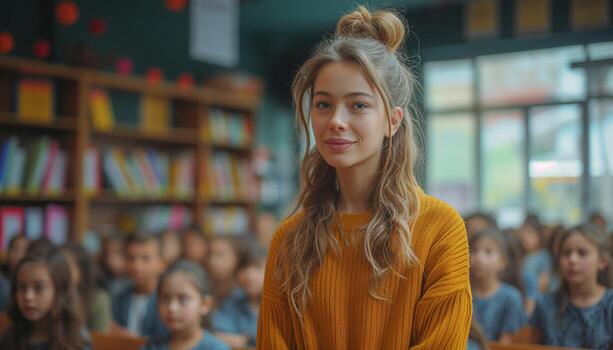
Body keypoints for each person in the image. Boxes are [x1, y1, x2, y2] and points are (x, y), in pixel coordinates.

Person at [257, 6, 471, 349]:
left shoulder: (439, 228)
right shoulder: (288, 239)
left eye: (358, 105)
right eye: (323, 105)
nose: (336, 121)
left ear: (393, 120)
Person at [530, 224, 613, 349]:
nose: (572, 260)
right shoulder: (545, 304)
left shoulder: (610, 304)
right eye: (566, 253)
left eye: (582, 253)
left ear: (602, 261)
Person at [0, 249, 91, 349]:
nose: (28, 296)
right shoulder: (11, 336)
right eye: (21, 287)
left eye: (39, 287)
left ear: (59, 290)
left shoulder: (76, 340)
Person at [142, 260, 229, 350]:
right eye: (165, 298)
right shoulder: (153, 345)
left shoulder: (216, 348)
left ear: (205, 304)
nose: (172, 308)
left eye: (183, 299)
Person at [470, 228, 526, 342]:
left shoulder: (510, 298)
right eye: (474, 251)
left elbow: (505, 344)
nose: (479, 258)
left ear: (503, 262)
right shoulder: (461, 294)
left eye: (488, 252)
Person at [111, 233, 166, 337]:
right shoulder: (119, 297)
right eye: (131, 258)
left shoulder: (167, 301)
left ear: (161, 263)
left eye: (145, 258)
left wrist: (128, 338)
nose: (137, 266)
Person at [212, 244, 266, 347]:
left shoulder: (281, 305)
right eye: (244, 268)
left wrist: (244, 341)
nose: (249, 275)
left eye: (257, 268)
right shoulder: (233, 300)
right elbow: (216, 335)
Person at [60, 242, 112, 332]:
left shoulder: (98, 299)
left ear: (82, 270)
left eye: (66, 266)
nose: (60, 271)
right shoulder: (52, 295)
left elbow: (99, 339)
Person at [206, 236, 243, 303]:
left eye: (220, 255)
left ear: (236, 258)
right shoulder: (203, 289)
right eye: (209, 254)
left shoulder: (245, 293)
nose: (212, 261)